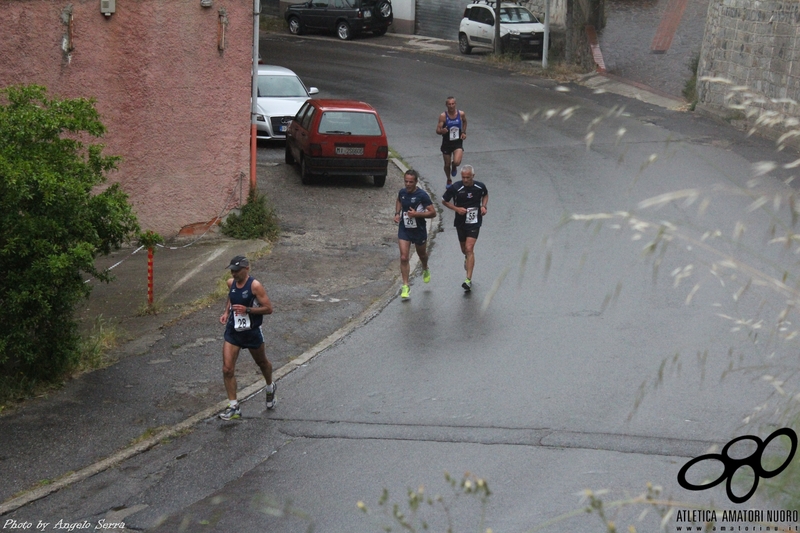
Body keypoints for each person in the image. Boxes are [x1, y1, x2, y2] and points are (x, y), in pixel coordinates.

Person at [218, 255, 276, 420]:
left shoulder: (255, 286)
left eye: (236, 270)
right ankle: (234, 406)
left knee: (262, 363)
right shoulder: (231, 283)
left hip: (251, 332)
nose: (234, 274)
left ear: (246, 269)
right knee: (227, 369)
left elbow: (268, 308)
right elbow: (231, 296)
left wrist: (248, 310)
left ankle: (270, 386)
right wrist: (226, 312)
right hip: (234, 331)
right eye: (232, 270)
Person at [441, 165, 488, 292]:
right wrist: (456, 209)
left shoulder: (480, 186)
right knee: (464, 249)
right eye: (463, 177)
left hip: (474, 221)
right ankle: (467, 258)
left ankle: (468, 280)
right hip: (461, 222)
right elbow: (444, 201)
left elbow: (485, 195)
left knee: (469, 248)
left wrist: (484, 206)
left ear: (473, 176)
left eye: (468, 177)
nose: (465, 180)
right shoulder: (456, 187)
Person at [394, 169, 436, 300]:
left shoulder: (422, 195)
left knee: (422, 254)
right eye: (406, 181)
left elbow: (433, 213)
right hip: (405, 228)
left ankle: (425, 267)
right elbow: (399, 200)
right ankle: (405, 286)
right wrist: (397, 214)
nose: (407, 184)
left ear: (416, 182)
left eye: (410, 182)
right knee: (404, 257)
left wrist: (417, 214)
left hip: (419, 230)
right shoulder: (402, 192)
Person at [436, 96, 467, 189]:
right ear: (446, 105)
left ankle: (454, 166)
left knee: (457, 162)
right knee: (447, 164)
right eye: (449, 104)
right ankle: (449, 179)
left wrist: (463, 132)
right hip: (446, 143)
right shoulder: (443, 116)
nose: (451, 106)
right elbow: (437, 130)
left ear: (455, 104)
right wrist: (442, 131)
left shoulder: (461, 114)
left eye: (453, 104)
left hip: (457, 142)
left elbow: (465, 122)